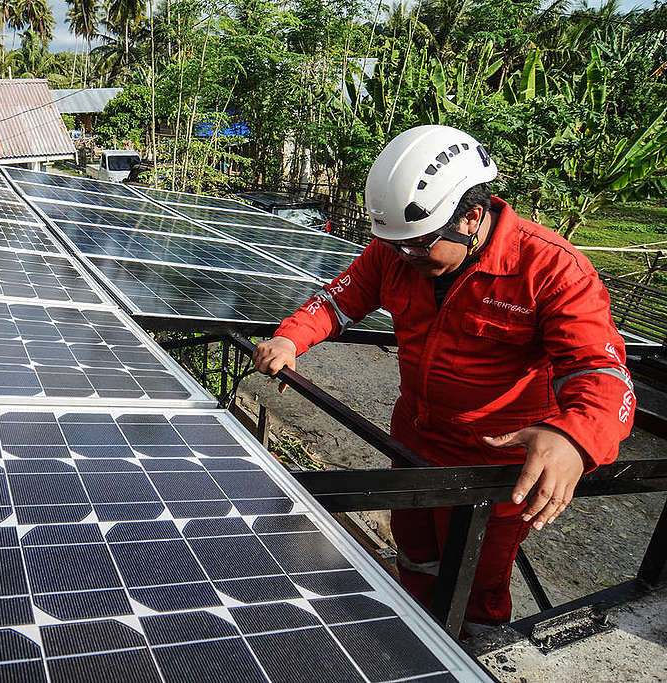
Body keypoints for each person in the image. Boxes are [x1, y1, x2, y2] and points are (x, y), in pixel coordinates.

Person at [252, 125, 636, 631]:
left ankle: (471, 648)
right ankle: (410, 631)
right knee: (414, 553)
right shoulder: (397, 250)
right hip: (413, 444)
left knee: (475, 580)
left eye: (418, 245)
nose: (404, 256)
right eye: (397, 245)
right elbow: (340, 299)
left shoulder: (551, 268)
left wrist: (573, 437)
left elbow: (600, 370)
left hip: (492, 468)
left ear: (471, 217)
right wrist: (291, 337)